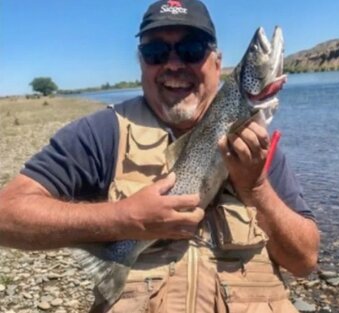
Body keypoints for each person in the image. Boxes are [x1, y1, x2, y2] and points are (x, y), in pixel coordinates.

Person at [0, 0, 320, 312]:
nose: (174, 64)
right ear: (141, 63)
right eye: (155, 52)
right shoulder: (102, 134)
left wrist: (257, 187)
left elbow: (304, 261)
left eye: (192, 49)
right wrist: (124, 219)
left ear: (217, 63)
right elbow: (6, 215)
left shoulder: (253, 139)